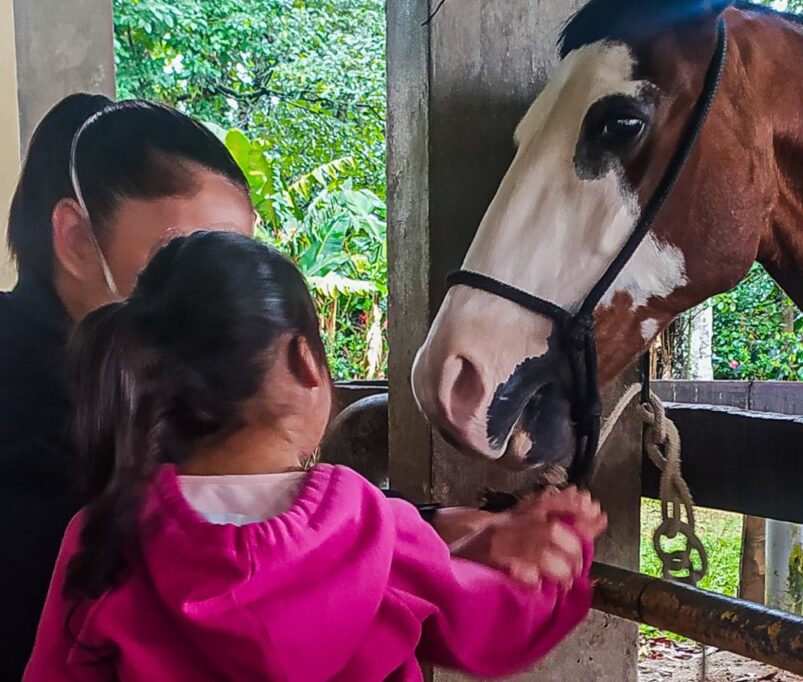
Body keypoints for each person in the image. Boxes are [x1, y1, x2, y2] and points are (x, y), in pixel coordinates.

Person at [0, 94, 587, 677]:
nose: (215, 290)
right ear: (76, 239)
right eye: (182, 253)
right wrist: (540, 555)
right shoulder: (364, 530)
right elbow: (487, 621)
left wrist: (430, 531)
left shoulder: (108, 526)